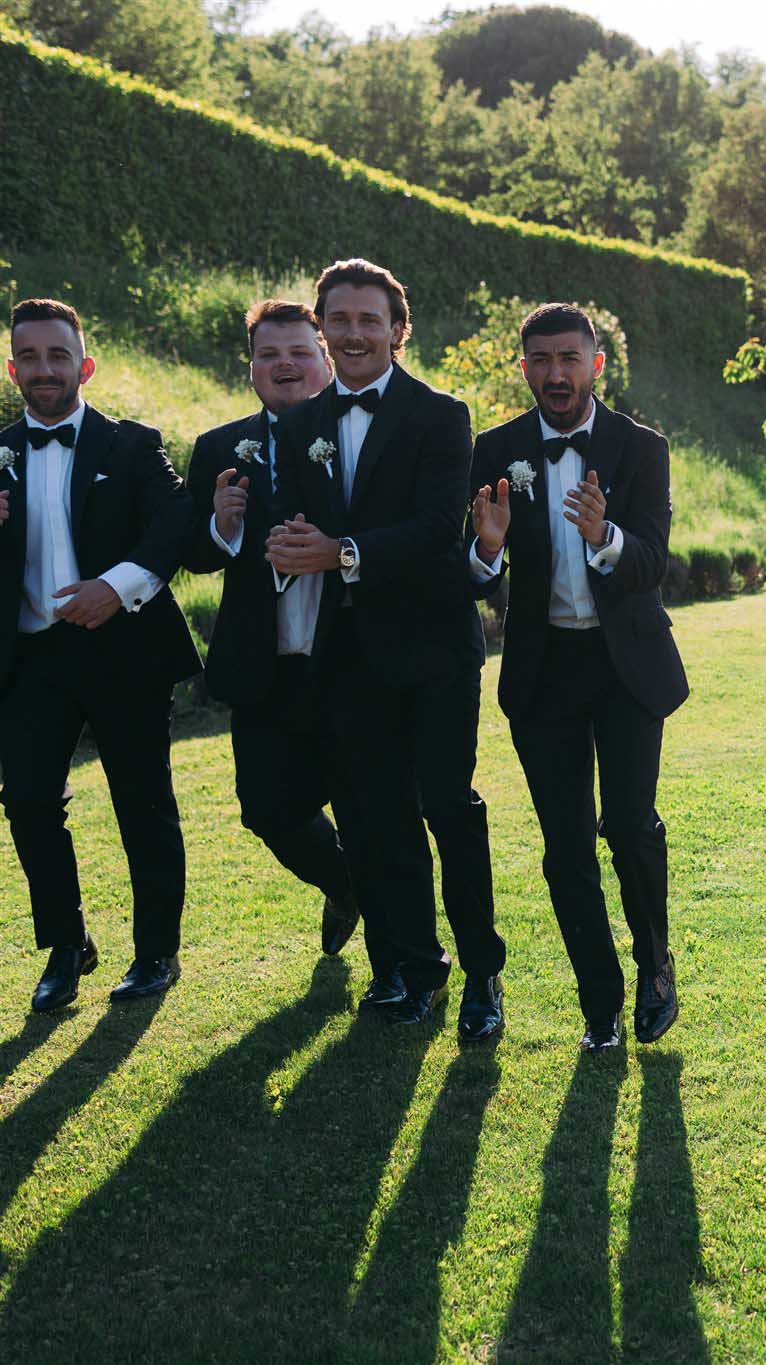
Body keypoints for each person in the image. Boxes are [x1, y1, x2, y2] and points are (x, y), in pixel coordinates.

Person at [267, 259, 505, 1039]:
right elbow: (295, 521)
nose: (354, 333)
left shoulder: (442, 415)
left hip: (434, 649)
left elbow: (438, 527)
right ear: (321, 329)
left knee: (447, 809)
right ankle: (407, 965)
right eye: (339, 319)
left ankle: (483, 973)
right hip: (347, 656)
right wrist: (283, 542)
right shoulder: (299, 426)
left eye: (370, 320)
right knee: (373, 818)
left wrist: (339, 552)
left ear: (398, 329)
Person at [469, 303, 687, 1052]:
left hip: (626, 666)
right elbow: (474, 571)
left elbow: (652, 562)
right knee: (566, 848)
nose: (555, 373)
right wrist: (488, 549)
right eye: (541, 359)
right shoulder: (496, 449)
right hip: (545, 670)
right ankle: (601, 1006)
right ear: (524, 367)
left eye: (569, 359)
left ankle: (655, 966)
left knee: (629, 826)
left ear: (596, 364)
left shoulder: (641, 447)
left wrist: (605, 536)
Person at [0, 298, 200, 1011]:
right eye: (29, 357)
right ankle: (66, 945)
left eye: (58, 356)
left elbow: (177, 524)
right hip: (31, 661)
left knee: (143, 804)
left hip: (125, 653)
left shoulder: (132, 445)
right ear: (13, 369)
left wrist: (116, 587)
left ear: (84, 366)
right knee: (27, 802)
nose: (44, 369)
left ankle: (156, 953)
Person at [182, 299, 360, 959]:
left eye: (299, 352)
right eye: (269, 354)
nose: (284, 365)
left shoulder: (361, 438)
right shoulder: (218, 448)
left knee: (367, 807)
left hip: (347, 659)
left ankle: (401, 963)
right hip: (262, 663)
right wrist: (222, 526)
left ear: (325, 361)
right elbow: (194, 554)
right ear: (251, 366)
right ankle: (345, 885)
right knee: (265, 808)